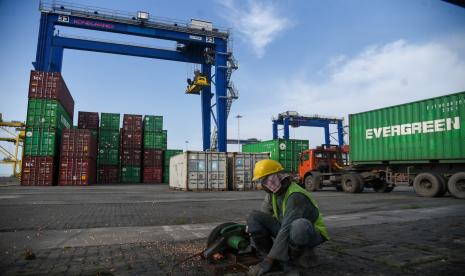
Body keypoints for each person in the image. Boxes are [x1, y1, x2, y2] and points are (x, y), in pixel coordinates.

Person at [247, 159, 329, 276]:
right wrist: (250, 229)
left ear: (275, 178)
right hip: (287, 228)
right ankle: (271, 257)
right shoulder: (273, 193)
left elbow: (286, 228)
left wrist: (268, 261)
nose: (262, 184)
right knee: (254, 217)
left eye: (264, 180)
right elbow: (263, 215)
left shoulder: (295, 195)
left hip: (310, 233)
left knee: (298, 226)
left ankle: (289, 261)